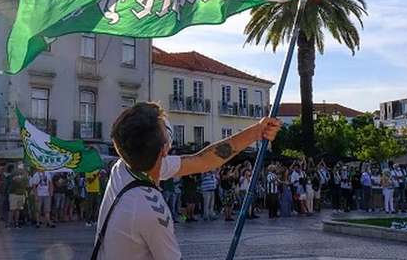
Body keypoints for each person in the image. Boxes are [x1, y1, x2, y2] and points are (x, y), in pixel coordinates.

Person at [92, 102, 280, 260]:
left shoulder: (125, 167)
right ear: (164, 150)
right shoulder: (151, 209)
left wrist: (256, 132)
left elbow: (203, 160)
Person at [7, 164, 29, 228]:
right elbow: (17, 181)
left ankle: (16, 223)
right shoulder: (13, 175)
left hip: (21, 194)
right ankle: (9, 223)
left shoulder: (24, 176)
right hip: (13, 193)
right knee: (12, 209)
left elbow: (26, 184)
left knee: (18, 210)